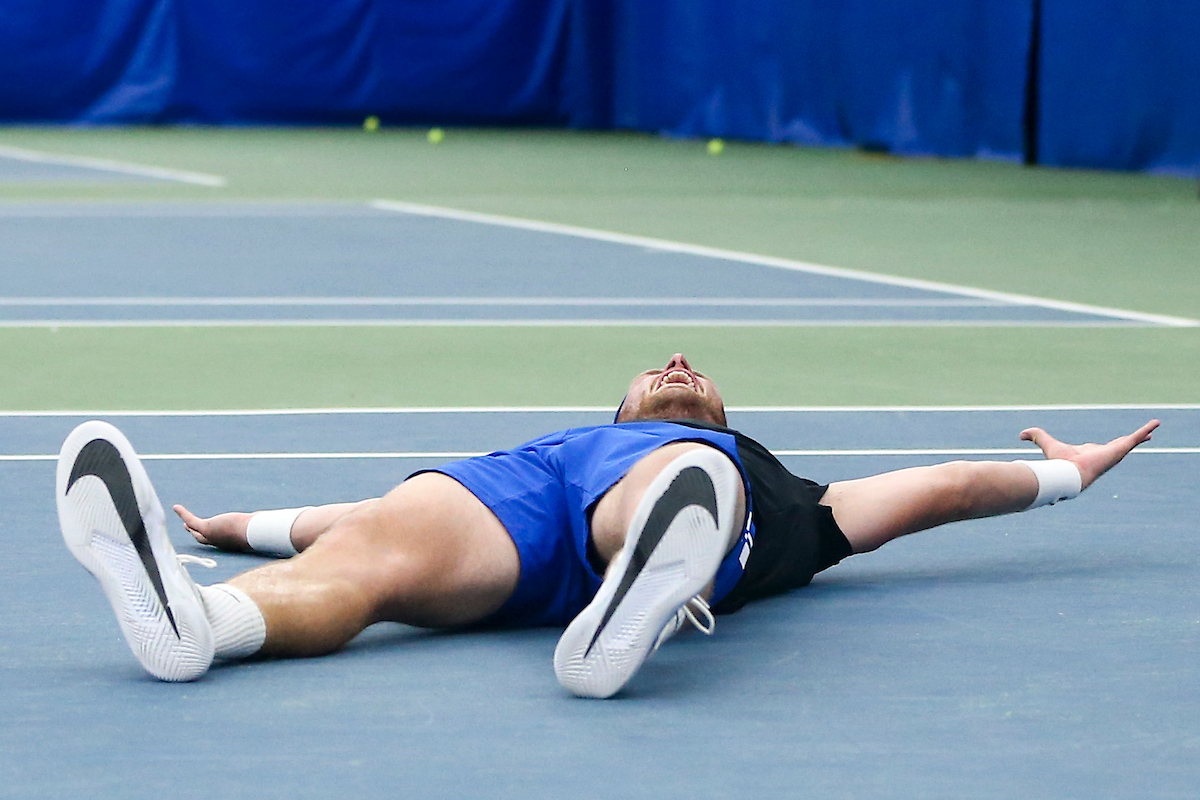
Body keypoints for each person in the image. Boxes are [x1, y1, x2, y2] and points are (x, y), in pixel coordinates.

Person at [56, 354, 1159, 698]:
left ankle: (652, 562)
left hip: (699, 501)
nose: (677, 365)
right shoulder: (551, 449)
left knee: (684, 480)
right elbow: (358, 519)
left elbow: (941, 487)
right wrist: (247, 528)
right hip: (522, 500)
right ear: (617, 405)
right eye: (658, 371)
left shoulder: (800, 498)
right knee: (376, 549)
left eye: (695, 372)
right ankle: (201, 620)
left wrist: (1056, 476)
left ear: (728, 414)